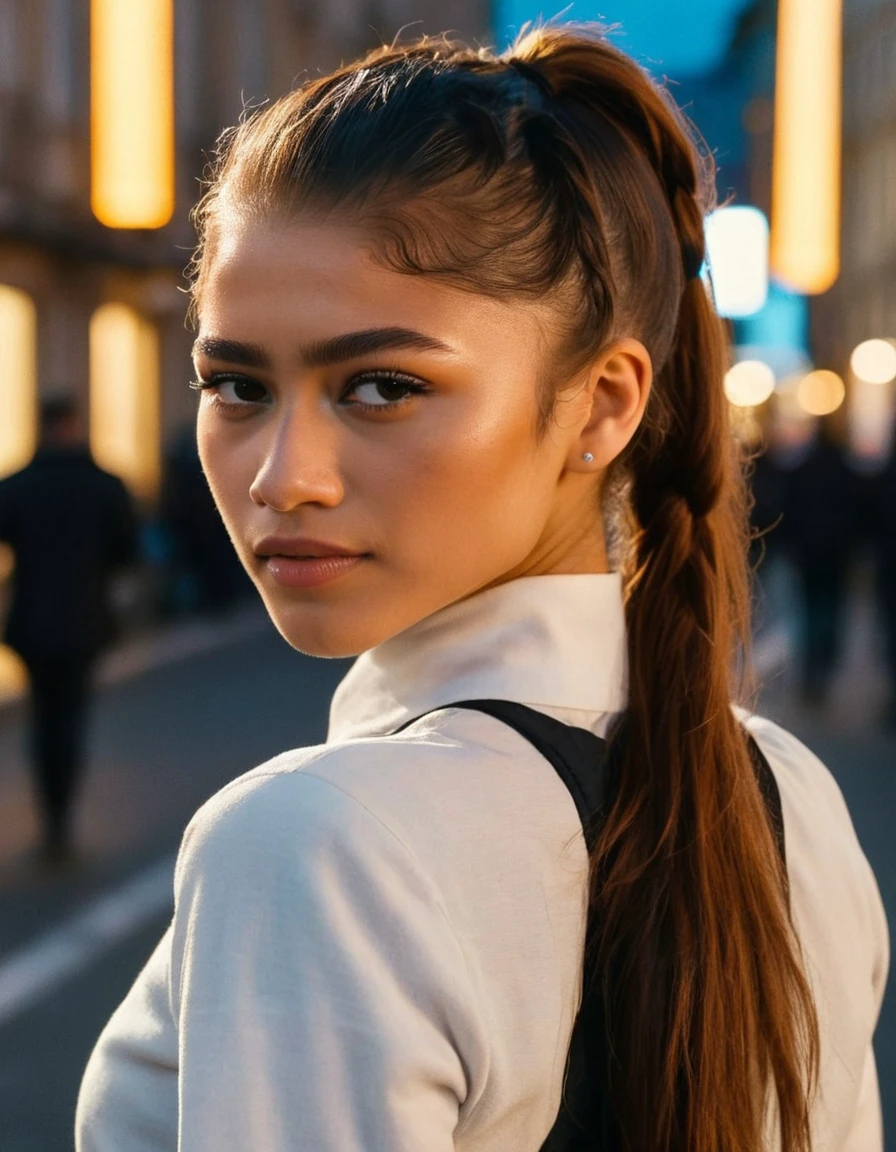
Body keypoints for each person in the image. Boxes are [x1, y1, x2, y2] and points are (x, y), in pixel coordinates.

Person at [76, 24, 888, 1152]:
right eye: (235, 383)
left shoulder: (323, 843)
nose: (282, 478)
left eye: (382, 386)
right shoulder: (790, 794)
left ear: (603, 403)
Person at [0, 395, 139, 861]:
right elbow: (126, 553)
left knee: (43, 716)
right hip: (85, 618)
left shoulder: (16, 485)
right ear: (75, 425)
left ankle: (50, 810)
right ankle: (61, 815)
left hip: (31, 619)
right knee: (71, 715)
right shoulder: (104, 484)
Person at [780, 419, 862, 704]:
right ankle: (823, 665)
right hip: (837, 555)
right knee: (830, 610)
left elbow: (789, 510)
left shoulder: (802, 472)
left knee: (810, 609)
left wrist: (791, 545)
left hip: (807, 554)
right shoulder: (848, 474)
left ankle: (811, 669)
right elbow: (860, 516)